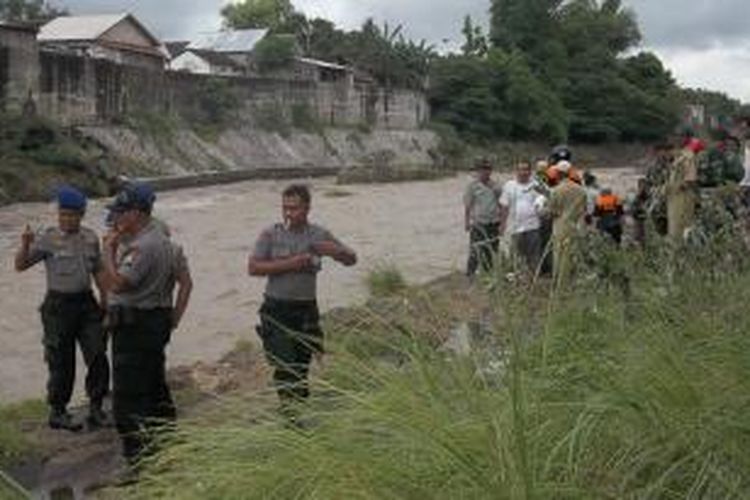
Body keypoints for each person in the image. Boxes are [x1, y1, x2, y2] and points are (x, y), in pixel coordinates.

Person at [248, 184, 356, 415]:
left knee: (302, 364)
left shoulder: (318, 234)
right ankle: (291, 418)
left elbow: (352, 259)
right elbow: (253, 267)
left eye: (294, 208)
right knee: (284, 366)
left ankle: (299, 409)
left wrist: (336, 252)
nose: (288, 213)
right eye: (285, 208)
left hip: (306, 310)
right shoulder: (271, 234)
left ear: (307, 208)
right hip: (276, 309)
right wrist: (292, 263)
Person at [103, 182, 191, 462]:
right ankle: (165, 446)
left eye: (121, 211)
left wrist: (107, 250)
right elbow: (186, 284)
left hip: (135, 327)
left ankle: (138, 461)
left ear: (137, 214)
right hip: (154, 321)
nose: (116, 218)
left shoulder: (144, 246)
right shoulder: (165, 242)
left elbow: (117, 284)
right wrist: (173, 318)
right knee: (154, 386)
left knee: (128, 397)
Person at [14, 186, 110, 432]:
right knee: (61, 361)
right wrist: (25, 244)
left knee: (98, 353)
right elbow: (21, 266)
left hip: (86, 304)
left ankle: (97, 407)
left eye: (72, 215)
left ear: (81, 215)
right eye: (63, 214)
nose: (67, 219)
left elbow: (98, 271)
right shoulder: (48, 238)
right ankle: (58, 411)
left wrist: (106, 301)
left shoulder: (90, 238)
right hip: (58, 306)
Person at [546, 165, 588, 288]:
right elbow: (584, 210)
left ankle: (560, 285)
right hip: (576, 226)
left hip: (560, 227)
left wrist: (545, 212)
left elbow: (552, 211)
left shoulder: (556, 190)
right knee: (574, 255)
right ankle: (572, 282)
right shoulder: (580, 190)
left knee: (559, 257)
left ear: (558, 174)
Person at [499, 161, 544, 274]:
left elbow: (542, 204)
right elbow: (504, 206)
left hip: (533, 227)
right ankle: (517, 277)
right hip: (515, 227)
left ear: (530, 172)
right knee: (516, 255)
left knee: (534, 255)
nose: (523, 172)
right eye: (521, 169)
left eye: (526, 169)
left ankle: (534, 278)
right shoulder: (509, 185)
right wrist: (502, 224)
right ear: (516, 171)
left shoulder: (536, 185)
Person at [463, 158, 503, 276]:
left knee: (492, 250)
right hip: (478, 223)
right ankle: (470, 274)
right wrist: (466, 222)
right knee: (475, 250)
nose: (485, 172)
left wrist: (502, 222)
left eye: (488, 169)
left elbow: (501, 204)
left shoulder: (496, 186)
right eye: (483, 169)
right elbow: (468, 205)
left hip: (494, 222)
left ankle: (488, 273)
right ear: (478, 171)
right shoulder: (472, 186)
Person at [666, 138, 701, 242]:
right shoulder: (678, 158)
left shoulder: (687, 157)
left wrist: (677, 186)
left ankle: (683, 249)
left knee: (683, 226)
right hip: (675, 198)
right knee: (674, 226)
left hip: (683, 198)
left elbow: (690, 180)